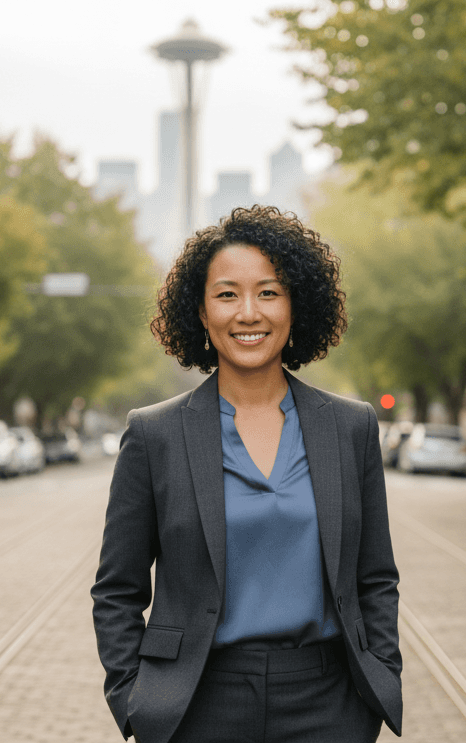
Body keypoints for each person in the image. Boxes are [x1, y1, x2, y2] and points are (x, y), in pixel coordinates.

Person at [92, 206, 402, 743]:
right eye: (228, 294)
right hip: (196, 704)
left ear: (295, 305)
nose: (249, 313)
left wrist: (380, 679)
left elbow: (376, 578)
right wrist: (133, 698)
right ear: (202, 312)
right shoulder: (153, 436)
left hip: (329, 705)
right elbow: (117, 590)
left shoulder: (351, 428)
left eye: (269, 292)